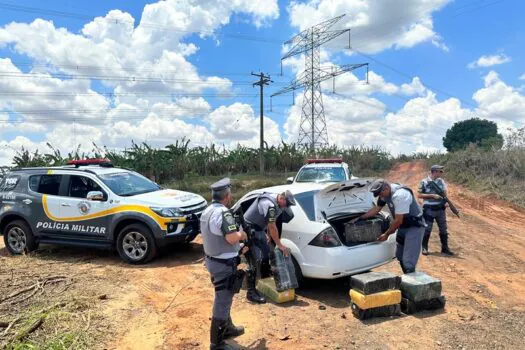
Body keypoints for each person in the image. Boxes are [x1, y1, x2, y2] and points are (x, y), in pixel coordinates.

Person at [200, 178, 246, 350]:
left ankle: (228, 329)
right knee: (222, 300)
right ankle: (216, 343)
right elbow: (231, 237)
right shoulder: (223, 213)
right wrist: (241, 235)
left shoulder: (208, 211)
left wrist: (238, 249)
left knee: (225, 297)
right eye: (230, 194)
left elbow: (215, 236)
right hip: (223, 264)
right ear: (226, 196)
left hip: (213, 260)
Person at [357, 179, 425, 274]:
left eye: (380, 193)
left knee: (408, 261)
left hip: (414, 227)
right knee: (399, 255)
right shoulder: (385, 193)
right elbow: (377, 209)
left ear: (386, 188)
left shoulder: (400, 195)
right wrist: (361, 218)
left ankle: (411, 283)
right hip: (403, 226)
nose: (380, 196)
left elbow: (398, 220)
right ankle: (407, 275)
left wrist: (386, 234)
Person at [242, 190, 296, 304]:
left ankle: (265, 283)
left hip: (259, 229)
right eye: (286, 204)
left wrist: (268, 236)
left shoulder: (277, 204)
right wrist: (280, 245)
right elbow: (271, 225)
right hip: (248, 229)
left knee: (266, 255)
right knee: (254, 260)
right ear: (281, 199)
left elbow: (272, 222)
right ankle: (251, 293)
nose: (287, 207)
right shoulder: (269, 204)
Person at [418, 165, 455, 256]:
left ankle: (445, 248)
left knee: (443, 229)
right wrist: (432, 196)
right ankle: (424, 247)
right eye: (440, 171)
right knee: (427, 229)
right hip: (429, 209)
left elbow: (444, 194)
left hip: (440, 209)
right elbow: (419, 195)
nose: (441, 173)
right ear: (434, 171)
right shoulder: (424, 182)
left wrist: (445, 201)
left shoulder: (441, 181)